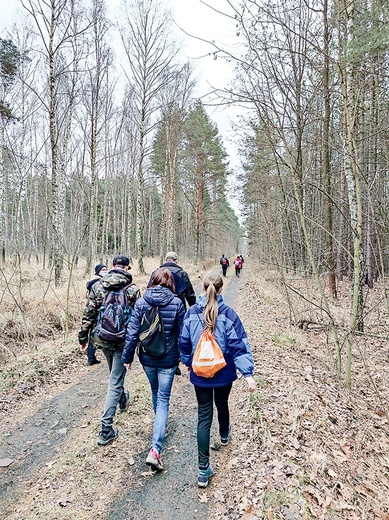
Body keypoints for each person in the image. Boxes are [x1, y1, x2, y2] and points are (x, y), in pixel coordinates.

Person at [179, 271, 256, 488]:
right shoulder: (229, 314)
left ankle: (203, 470)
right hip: (223, 374)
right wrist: (247, 373)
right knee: (222, 403)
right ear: (221, 289)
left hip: (199, 374)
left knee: (204, 416)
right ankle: (224, 435)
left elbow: (184, 343)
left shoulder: (192, 313)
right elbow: (239, 345)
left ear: (202, 289)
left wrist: (188, 362)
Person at [122, 268, 185, 471]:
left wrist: (127, 357)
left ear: (153, 281)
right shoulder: (176, 303)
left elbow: (132, 332)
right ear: (170, 283)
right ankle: (155, 449)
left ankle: (160, 426)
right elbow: (182, 335)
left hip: (147, 358)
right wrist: (185, 359)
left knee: (155, 392)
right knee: (163, 399)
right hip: (168, 359)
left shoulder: (141, 303)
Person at [78, 254, 141, 446]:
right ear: (128, 268)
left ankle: (122, 399)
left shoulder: (97, 287)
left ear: (112, 266)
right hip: (123, 341)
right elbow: (139, 319)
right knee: (115, 380)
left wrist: (83, 337)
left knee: (114, 374)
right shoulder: (132, 290)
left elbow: (88, 313)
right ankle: (106, 429)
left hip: (103, 339)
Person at [148, 251, 196, 375]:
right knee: (178, 334)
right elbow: (189, 293)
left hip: (157, 309)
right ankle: (175, 361)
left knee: (159, 332)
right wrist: (194, 308)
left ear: (166, 259)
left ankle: (159, 357)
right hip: (177, 308)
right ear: (176, 260)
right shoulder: (182, 273)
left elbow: (149, 289)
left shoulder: (156, 272)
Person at [84, 263, 108, 366]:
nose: (105, 270)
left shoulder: (94, 281)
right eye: (103, 269)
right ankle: (91, 357)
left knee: (93, 335)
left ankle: (91, 357)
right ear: (98, 271)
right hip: (96, 311)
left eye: (106, 269)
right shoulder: (96, 282)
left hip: (94, 310)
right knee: (93, 335)